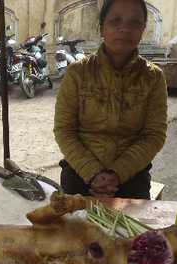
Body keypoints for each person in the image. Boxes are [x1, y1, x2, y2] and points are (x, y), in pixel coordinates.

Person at [54, 0, 168, 200]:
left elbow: (154, 135)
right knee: (72, 228)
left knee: (132, 231)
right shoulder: (77, 73)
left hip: (131, 175)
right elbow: (65, 130)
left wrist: (117, 173)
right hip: (80, 172)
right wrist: (92, 172)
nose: (124, 29)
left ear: (143, 29)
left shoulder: (153, 78)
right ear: (102, 27)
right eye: (115, 21)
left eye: (134, 23)